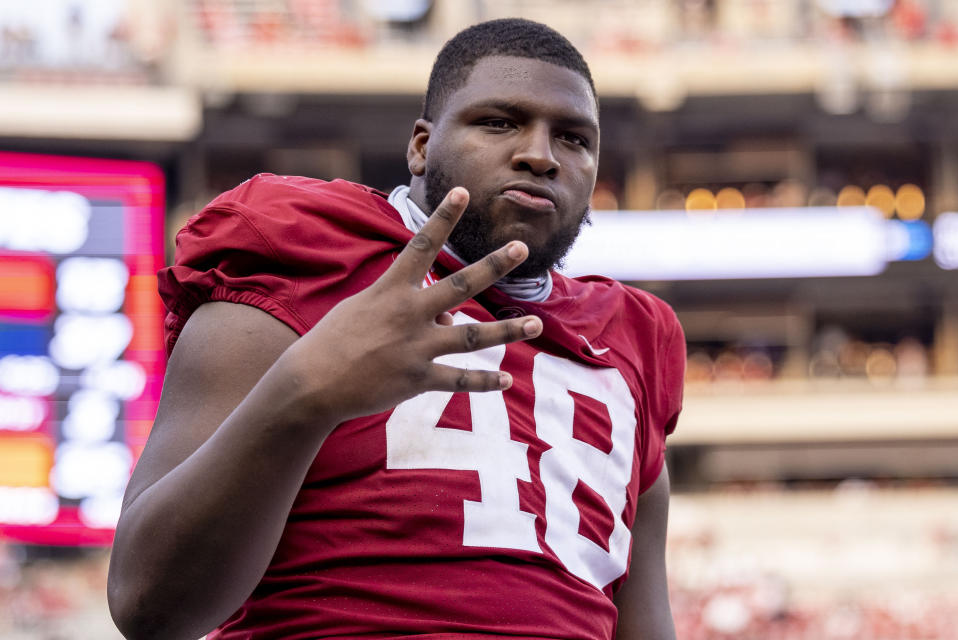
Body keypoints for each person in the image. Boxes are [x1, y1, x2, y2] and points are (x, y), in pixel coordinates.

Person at [107, 18, 685, 640]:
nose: (540, 155)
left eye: (574, 139)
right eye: (499, 122)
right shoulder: (304, 255)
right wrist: (308, 388)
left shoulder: (629, 342)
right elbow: (149, 605)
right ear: (420, 146)